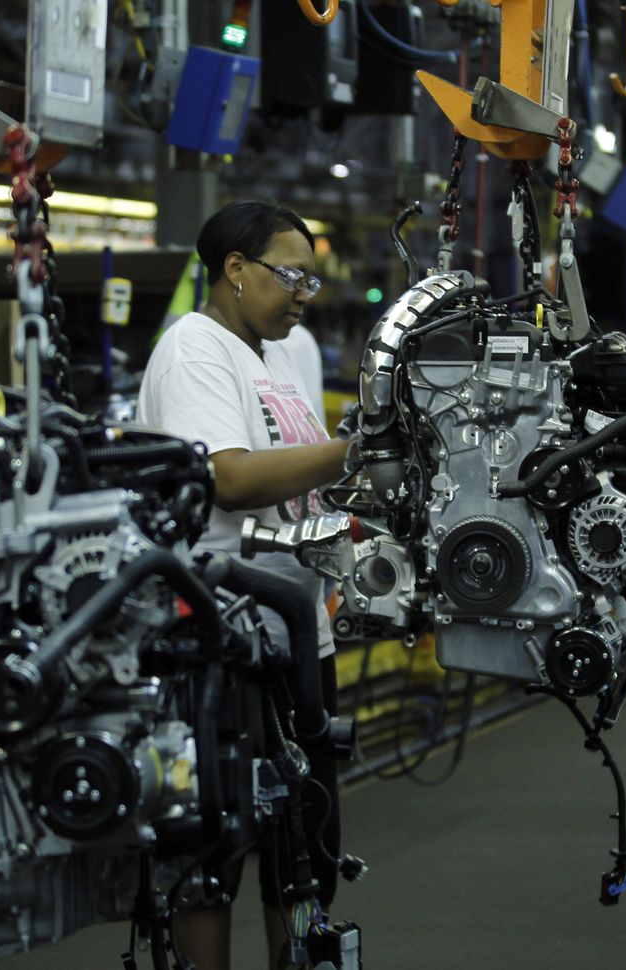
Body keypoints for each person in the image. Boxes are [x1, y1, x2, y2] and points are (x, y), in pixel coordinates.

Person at [135, 199, 352, 970]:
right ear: (234, 270)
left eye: (310, 281)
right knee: (211, 859)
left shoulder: (289, 353)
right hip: (218, 647)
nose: (302, 295)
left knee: (306, 848)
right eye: (291, 275)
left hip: (299, 638)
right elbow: (225, 477)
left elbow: (309, 475)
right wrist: (354, 450)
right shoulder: (193, 350)